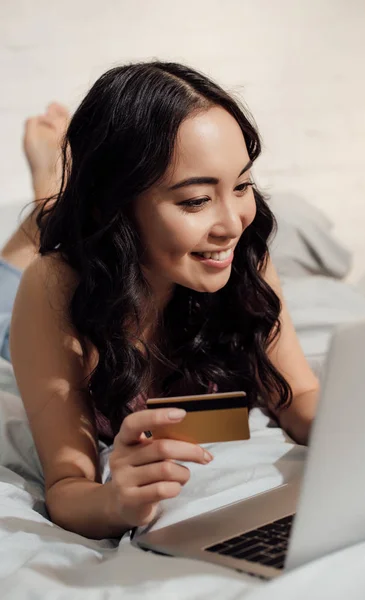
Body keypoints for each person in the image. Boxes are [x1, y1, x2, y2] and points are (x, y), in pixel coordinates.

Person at [3, 62, 319, 540]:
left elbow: (298, 397)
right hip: (31, 317)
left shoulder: (239, 255)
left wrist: (355, 431)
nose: (232, 223)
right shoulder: (53, 287)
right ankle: (52, 193)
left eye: (241, 185)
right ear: (113, 206)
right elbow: (69, 488)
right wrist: (115, 501)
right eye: (196, 201)